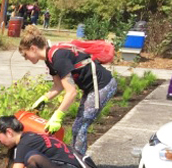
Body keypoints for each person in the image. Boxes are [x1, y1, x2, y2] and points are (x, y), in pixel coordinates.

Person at [19, 25, 117, 155]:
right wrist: (43, 99)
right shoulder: (50, 59)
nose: (26, 58)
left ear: (33, 48)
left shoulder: (58, 58)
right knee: (78, 126)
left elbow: (71, 92)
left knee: (79, 127)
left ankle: (80, 166)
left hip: (103, 86)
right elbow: (58, 86)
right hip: (91, 88)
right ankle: (76, 160)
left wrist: (57, 116)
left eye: (25, 55)